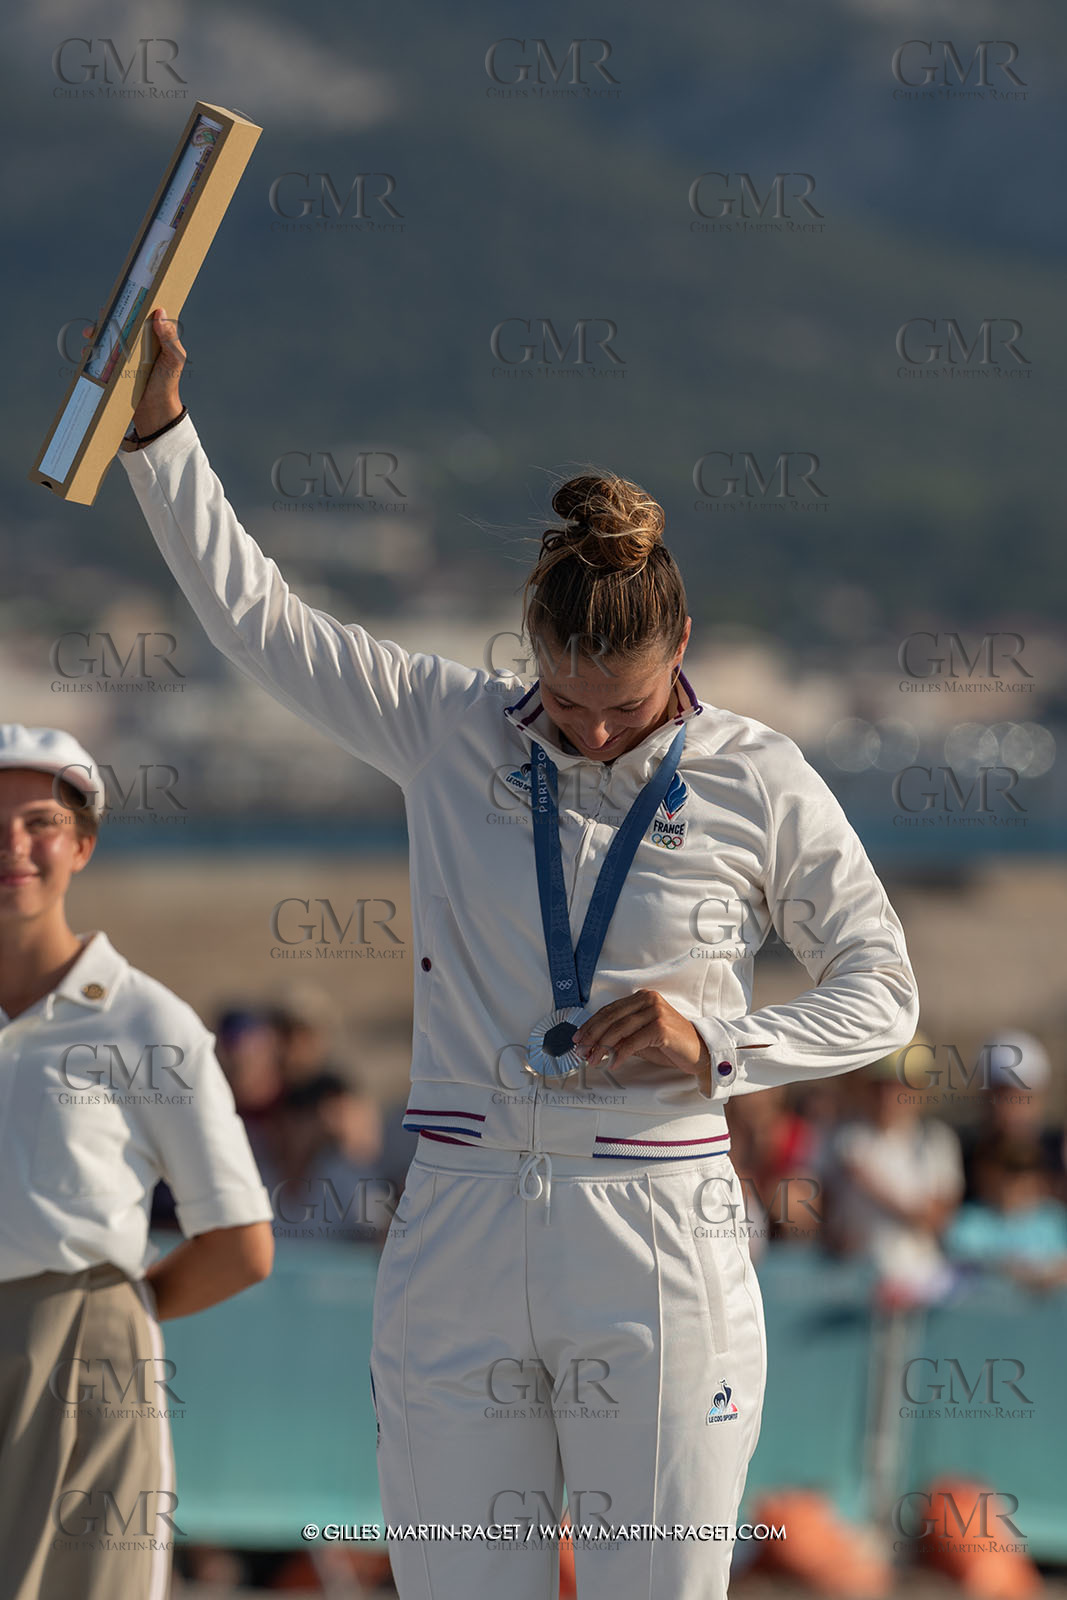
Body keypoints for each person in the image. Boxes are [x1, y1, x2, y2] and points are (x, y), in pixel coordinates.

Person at [114, 307, 919, 1600]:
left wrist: (719, 1042)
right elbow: (262, 620)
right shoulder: (446, 730)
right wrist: (159, 435)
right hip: (460, 1213)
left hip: (658, 1221)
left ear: (683, 650)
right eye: (566, 703)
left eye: (627, 709)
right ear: (526, 653)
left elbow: (881, 993)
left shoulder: (756, 779)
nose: (594, 736)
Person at [0, 724, 275, 1600]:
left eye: (39, 821)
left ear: (81, 845)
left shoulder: (145, 1022)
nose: (13, 846)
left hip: (84, 1354)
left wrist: (102, 1318)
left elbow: (240, 1240)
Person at [824, 1041, 964, 1304]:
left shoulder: (939, 1141)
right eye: (881, 1085)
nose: (888, 1096)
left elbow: (939, 1220)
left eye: (900, 1084)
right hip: (855, 1286)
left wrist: (874, 1185)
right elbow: (827, 1222)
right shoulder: (845, 1138)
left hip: (922, 1284)